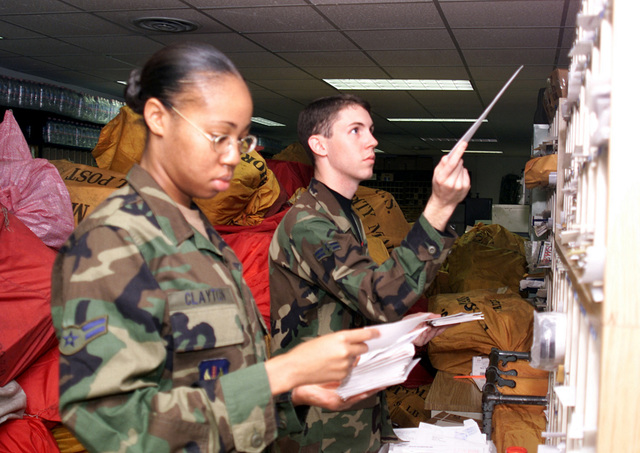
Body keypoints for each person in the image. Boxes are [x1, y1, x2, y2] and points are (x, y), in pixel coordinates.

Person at [50, 43, 381, 453]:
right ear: (157, 118)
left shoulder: (202, 236)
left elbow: (207, 382)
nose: (233, 156)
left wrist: (290, 392)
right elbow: (112, 424)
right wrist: (278, 375)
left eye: (242, 140)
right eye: (218, 135)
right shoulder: (114, 241)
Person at [269, 94, 471, 452]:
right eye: (356, 130)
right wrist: (439, 207)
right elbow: (380, 298)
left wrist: (401, 334)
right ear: (319, 144)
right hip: (320, 422)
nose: (372, 140)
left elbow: (352, 308)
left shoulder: (345, 217)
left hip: (354, 406)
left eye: (371, 130)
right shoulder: (309, 224)